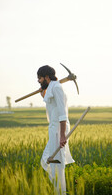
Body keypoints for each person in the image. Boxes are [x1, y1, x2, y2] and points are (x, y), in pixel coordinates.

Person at [37, 65, 75, 194]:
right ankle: (58, 190)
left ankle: (61, 192)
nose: (38, 81)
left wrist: (63, 136)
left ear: (47, 77)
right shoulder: (52, 87)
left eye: (40, 78)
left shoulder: (57, 88)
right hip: (53, 129)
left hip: (59, 130)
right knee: (46, 160)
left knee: (57, 164)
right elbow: (51, 104)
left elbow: (62, 113)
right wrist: (43, 93)